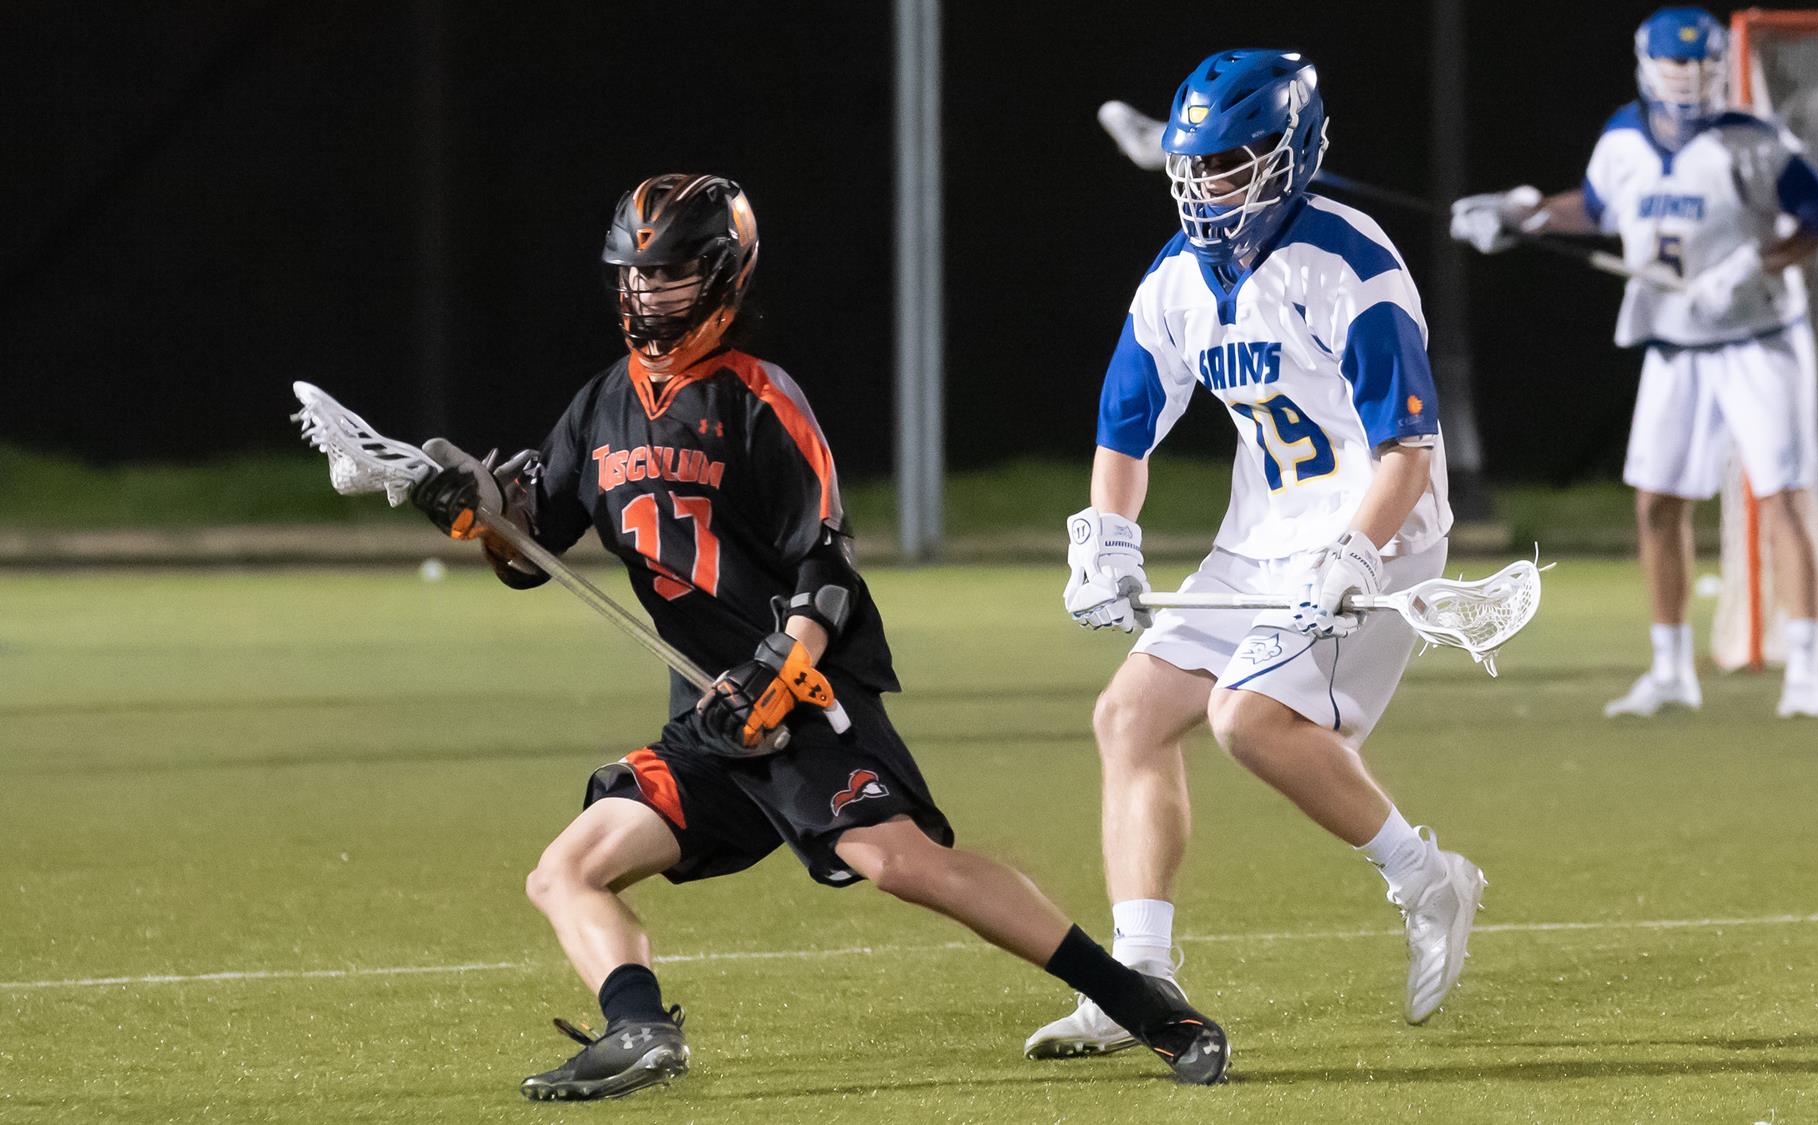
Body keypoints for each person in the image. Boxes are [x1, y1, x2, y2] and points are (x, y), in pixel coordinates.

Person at [409, 173, 1231, 1099]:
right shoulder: (600, 406)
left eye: (672, 275)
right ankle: (639, 1029)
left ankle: (1155, 1010)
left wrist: (783, 662)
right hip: (711, 719)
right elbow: (532, 550)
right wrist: (480, 515)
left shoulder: (757, 398)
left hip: (801, 698)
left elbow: (829, 560)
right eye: (636, 277)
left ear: (724, 276)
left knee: (902, 863)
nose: (647, 296)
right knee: (565, 871)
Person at [1027, 49, 1485, 1061]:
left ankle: (1425, 878)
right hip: (1260, 538)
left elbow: (1407, 451)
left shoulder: (1348, 267)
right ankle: (1140, 981)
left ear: (1290, 155)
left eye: (1232, 162)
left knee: (1247, 719)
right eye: (1196, 164)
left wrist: (1356, 556)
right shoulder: (1176, 278)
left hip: (1380, 526)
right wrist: (1108, 540)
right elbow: (1124, 430)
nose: (1207, 186)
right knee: (1130, 716)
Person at [1451, 6, 1818, 718]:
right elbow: (1601, 208)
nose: (1688, 81)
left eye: (1700, 66)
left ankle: (1808, 664)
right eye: (1676, 66)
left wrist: (1757, 259)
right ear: (1648, 67)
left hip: (1759, 339)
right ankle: (1670, 669)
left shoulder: (1754, 142)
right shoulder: (1624, 137)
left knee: (1784, 494)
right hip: (1675, 344)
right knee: (1658, 502)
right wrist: (1524, 213)